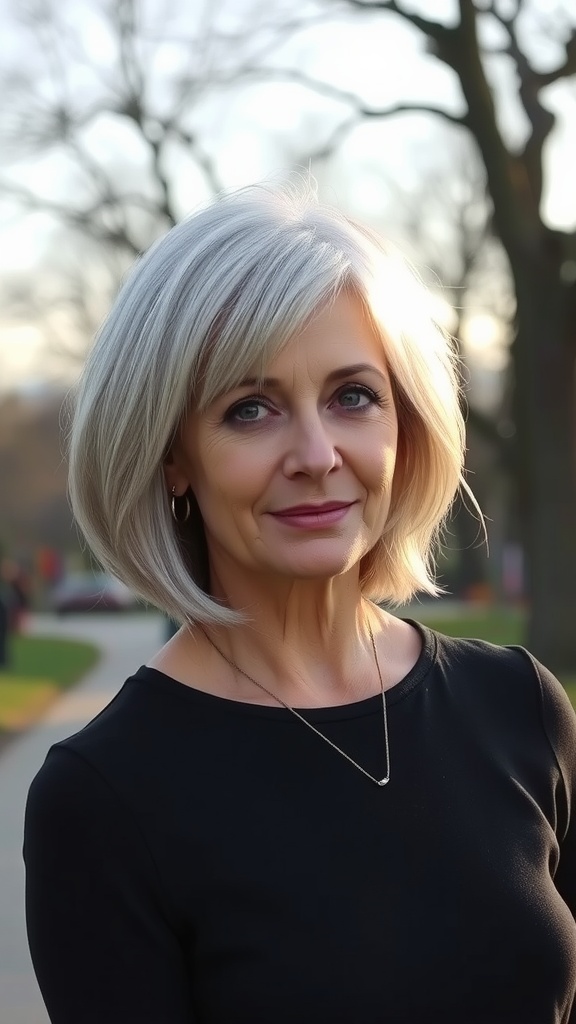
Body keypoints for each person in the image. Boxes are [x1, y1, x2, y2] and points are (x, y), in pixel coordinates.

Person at [24, 183, 576, 1024]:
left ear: (406, 421)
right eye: (252, 409)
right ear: (174, 456)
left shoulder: (521, 707)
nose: (317, 455)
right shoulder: (105, 799)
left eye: (353, 395)